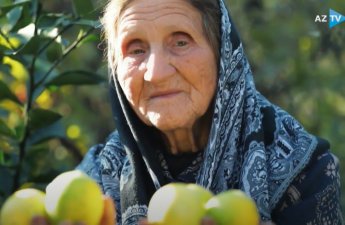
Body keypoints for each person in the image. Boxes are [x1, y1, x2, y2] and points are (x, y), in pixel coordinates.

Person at [35, 0, 344, 224]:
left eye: (181, 41)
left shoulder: (305, 171)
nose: (155, 73)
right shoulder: (96, 181)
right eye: (136, 49)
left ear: (224, 56)